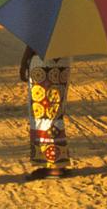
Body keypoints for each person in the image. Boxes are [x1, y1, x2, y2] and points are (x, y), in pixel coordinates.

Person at [19, 45, 72, 180]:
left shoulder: (41, 22)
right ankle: (57, 161)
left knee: (42, 114)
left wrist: (24, 61)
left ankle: (53, 165)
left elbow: (35, 39)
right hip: (63, 62)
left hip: (43, 63)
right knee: (56, 112)